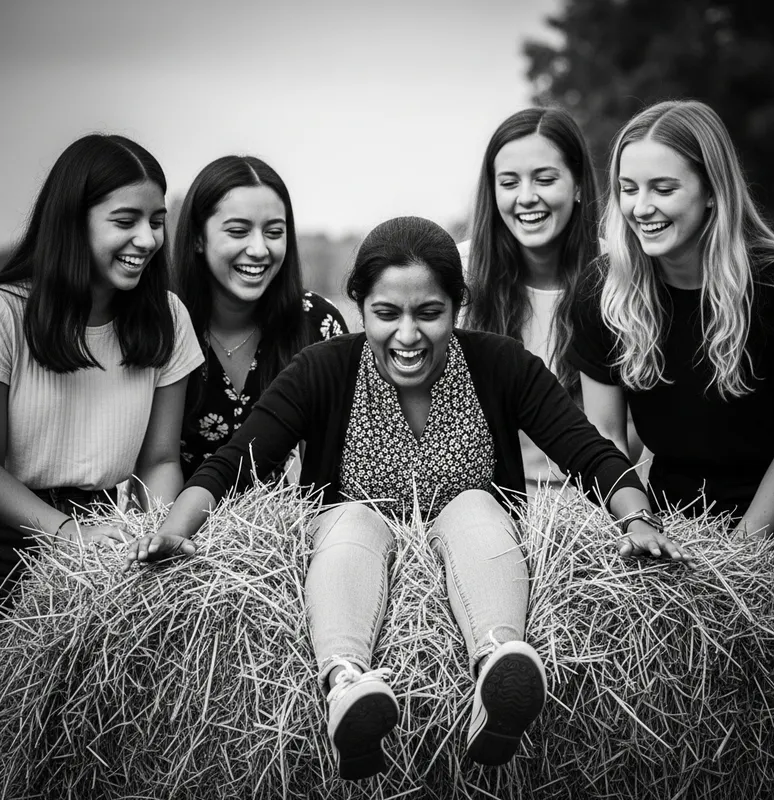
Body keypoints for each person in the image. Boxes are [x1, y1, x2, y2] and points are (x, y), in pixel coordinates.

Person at [124, 217, 694, 780]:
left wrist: (636, 519)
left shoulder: (499, 363)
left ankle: (500, 664)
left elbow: (587, 451)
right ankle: (347, 684)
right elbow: (234, 463)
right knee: (348, 519)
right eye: (386, 314)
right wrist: (177, 528)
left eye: (429, 313)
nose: (407, 335)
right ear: (358, 308)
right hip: (355, 540)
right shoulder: (324, 370)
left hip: (475, 536)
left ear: (457, 306)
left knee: (476, 506)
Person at [568, 100, 774, 541]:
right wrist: (637, 525)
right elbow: (605, 438)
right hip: (670, 525)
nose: (640, 207)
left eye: (663, 188)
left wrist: (740, 555)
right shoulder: (604, 291)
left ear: (712, 190)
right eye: (628, 188)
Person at [0, 134, 204, 607]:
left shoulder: (168, 317)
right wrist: (70, 535)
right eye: (125, 221)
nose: (148, 239)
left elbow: (159, 461)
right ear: (74, 222)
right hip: (15, 534)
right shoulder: (8, 314)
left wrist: (150, 541)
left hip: (111, 532)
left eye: (156, 221)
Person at [172, 156, 347, 481]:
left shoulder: (317, 322)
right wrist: (172, 530)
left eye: (274, 232)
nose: (258, 248)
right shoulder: (167, 322)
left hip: (276, 525)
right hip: (176, 517)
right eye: (238, 231)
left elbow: (326, 462)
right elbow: (157, 461)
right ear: (198, 237)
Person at [460, 108, 602, 494]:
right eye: (509, 182)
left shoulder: (619, 276)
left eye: (544, 179)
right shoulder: (458, 275)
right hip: (484, 500)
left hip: (588, 501)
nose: (526, 197)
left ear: (577, 186)